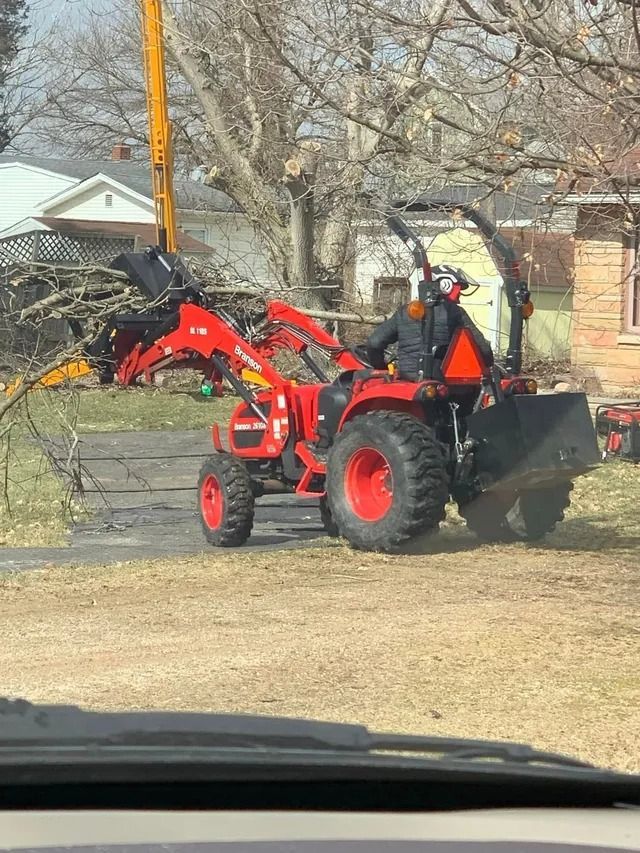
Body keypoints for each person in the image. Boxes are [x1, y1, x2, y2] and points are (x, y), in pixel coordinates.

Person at [365, 264, 494, 381]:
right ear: (445, 285)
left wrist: (381, 367)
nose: (459, 294)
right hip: (442, 382)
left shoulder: (405, 311)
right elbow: (484, 349)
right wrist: (488, 366)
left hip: (407, 379)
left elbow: (374, 343)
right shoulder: (455, 313)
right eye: (458, 289)